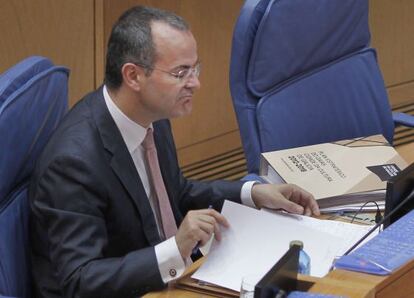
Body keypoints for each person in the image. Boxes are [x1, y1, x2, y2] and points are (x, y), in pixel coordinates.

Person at [29, 6, 320, 298]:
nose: (195, 83)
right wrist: (175, 249)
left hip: (174, 279)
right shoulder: (72, 163)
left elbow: (175, 194)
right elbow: (79, 280)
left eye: (195, 69)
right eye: (181, 72)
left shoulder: (152, 115)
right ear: (133, 76)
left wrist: (251, 193)